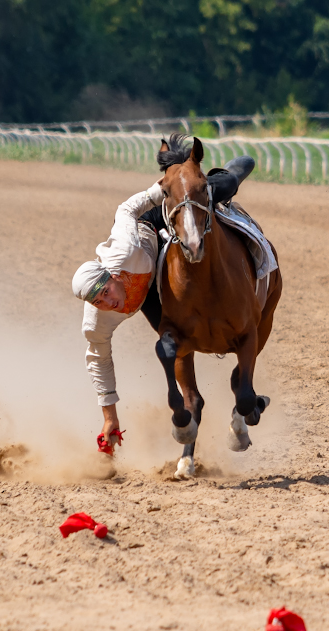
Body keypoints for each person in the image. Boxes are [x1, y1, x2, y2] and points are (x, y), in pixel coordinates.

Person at [71, 153, 255, 457]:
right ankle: (188, 404)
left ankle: (232, 174)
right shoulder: (96, 320)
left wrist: (163, 191)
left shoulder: (125, 249)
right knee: (175, 343)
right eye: (98, 302)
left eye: (105, 292)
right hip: (150, 292)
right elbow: (98, 361)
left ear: (112, 275)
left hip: (150, 226)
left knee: (206, 194)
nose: (108, 304)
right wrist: (110, 419)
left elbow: (126, 209)